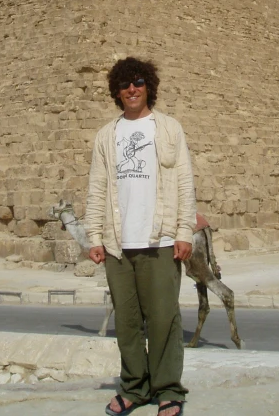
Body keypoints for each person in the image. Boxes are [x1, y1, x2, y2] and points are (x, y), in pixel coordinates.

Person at [85, 57, 196, 416]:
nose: (131, 89)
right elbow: (97, 187)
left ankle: (168, 390)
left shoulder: (168, 129)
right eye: (124, 84)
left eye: (138, 82)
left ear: (149, 85)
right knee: (127, 321)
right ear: (116, 92)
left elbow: (184, 182)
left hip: (160, 240)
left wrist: (184, 231)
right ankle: (134, 387)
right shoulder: (106, 135)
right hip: (118, 244)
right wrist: (94, 236)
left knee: (164, 318)